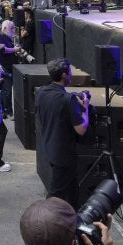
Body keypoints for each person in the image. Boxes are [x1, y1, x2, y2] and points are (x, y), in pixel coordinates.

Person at [34, 59, 90, 208]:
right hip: (64, 154)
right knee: (55, 193)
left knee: (72, 189)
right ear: (64, 75)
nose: (71, 75)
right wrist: (86, 109)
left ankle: (74, 218)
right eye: (70, 72)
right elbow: (81, 129)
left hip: (49, 146)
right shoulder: (68, 99)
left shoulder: (41, 92)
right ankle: (44, 222)